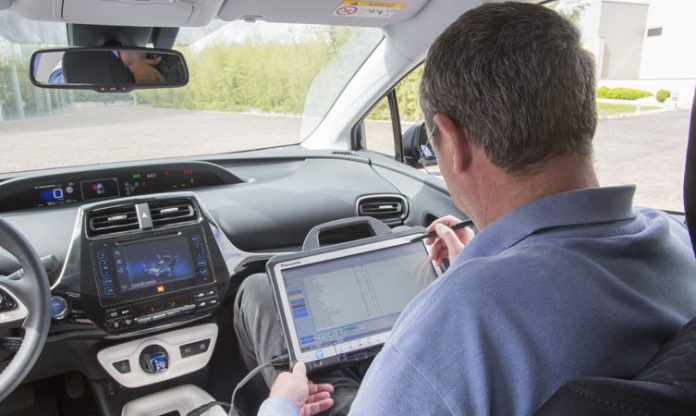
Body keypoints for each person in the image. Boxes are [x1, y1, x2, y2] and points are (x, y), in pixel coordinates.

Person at [234, 2, 696, 415]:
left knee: (260, 297)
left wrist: (280, 404)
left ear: (451, 143)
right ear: (583, 117)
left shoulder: (460, 317)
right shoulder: (677, 241)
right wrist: (487, 264)